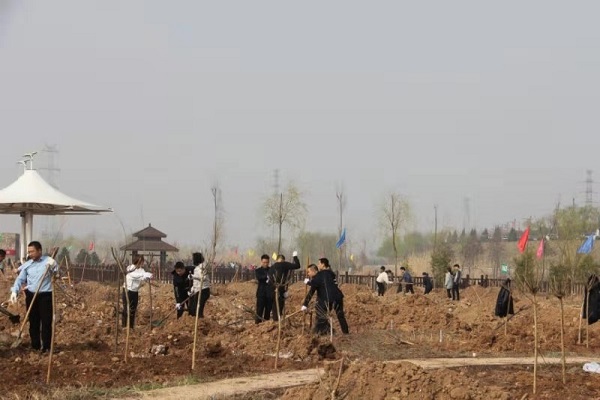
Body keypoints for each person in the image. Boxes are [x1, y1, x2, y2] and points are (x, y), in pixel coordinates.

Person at [8, 241, 58, 352]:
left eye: (32, 251)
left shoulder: (48, 262)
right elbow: (20, 279)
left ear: (39, 251)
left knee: (46, 322)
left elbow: (56, 274)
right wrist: (14, 291)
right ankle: (35, 346)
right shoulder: (28, 265)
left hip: (45, 296)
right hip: (31, 295)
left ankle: (46, 347)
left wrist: (54, 266)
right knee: (33, 321)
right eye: (29, 252)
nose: (30, 254)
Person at [301, 263, 349, 335]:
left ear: (313, 271)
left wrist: (305, 304)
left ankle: (323, 331)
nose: (308, 274)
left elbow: (311, 292)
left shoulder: (317, 278)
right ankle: (346, 332)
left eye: (308, 272)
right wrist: (310, 282)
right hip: (338, 297)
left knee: (320, 313)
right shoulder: (326, 273)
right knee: (340, 315)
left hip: (328, 298)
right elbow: (318, 284)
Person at [269, 251, 301, 321]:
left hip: (272, 288)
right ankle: (278, 319)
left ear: (277, 259)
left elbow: (269, 279)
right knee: (280, 304)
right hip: (281, 287)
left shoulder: (272, 267)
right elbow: (297, 265)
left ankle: (275, 319)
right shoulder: (285, 264)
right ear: (283, 259)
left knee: (274, 304)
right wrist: (295, 257)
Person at [122, 255, 152, 328]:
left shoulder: (141, 270)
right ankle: (124, 326)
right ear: (137, 261)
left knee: (133, 309)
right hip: (127, 290)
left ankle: (131, 327)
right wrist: (143, 274)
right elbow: (134, 275)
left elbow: (143, 277)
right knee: (126, 309)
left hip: (135, 291)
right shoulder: (130, 268)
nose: (142, 263)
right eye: (141, 262)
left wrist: (147, 276)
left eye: (142, 262)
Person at [189, 252, 210, 318]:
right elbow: (196, 282)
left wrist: (193, 276)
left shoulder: (202, 268)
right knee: (193, 309)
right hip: (198, 290)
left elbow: (203, 277)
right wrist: (192, 289)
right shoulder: (197, 268)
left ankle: (200, 322)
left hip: (203, 290)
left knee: (198, 310)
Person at [255, 254, 273, 323]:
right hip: (261, 294)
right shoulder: (258, 270)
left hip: (269, 294)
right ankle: (257, 324)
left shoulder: (271, 270)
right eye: (264, 262)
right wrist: (267, 276)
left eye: (267, 262)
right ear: (261, 262)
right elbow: (260, 278)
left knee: (268, 311)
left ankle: (266, 325)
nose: (265, 264)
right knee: (259, 311)